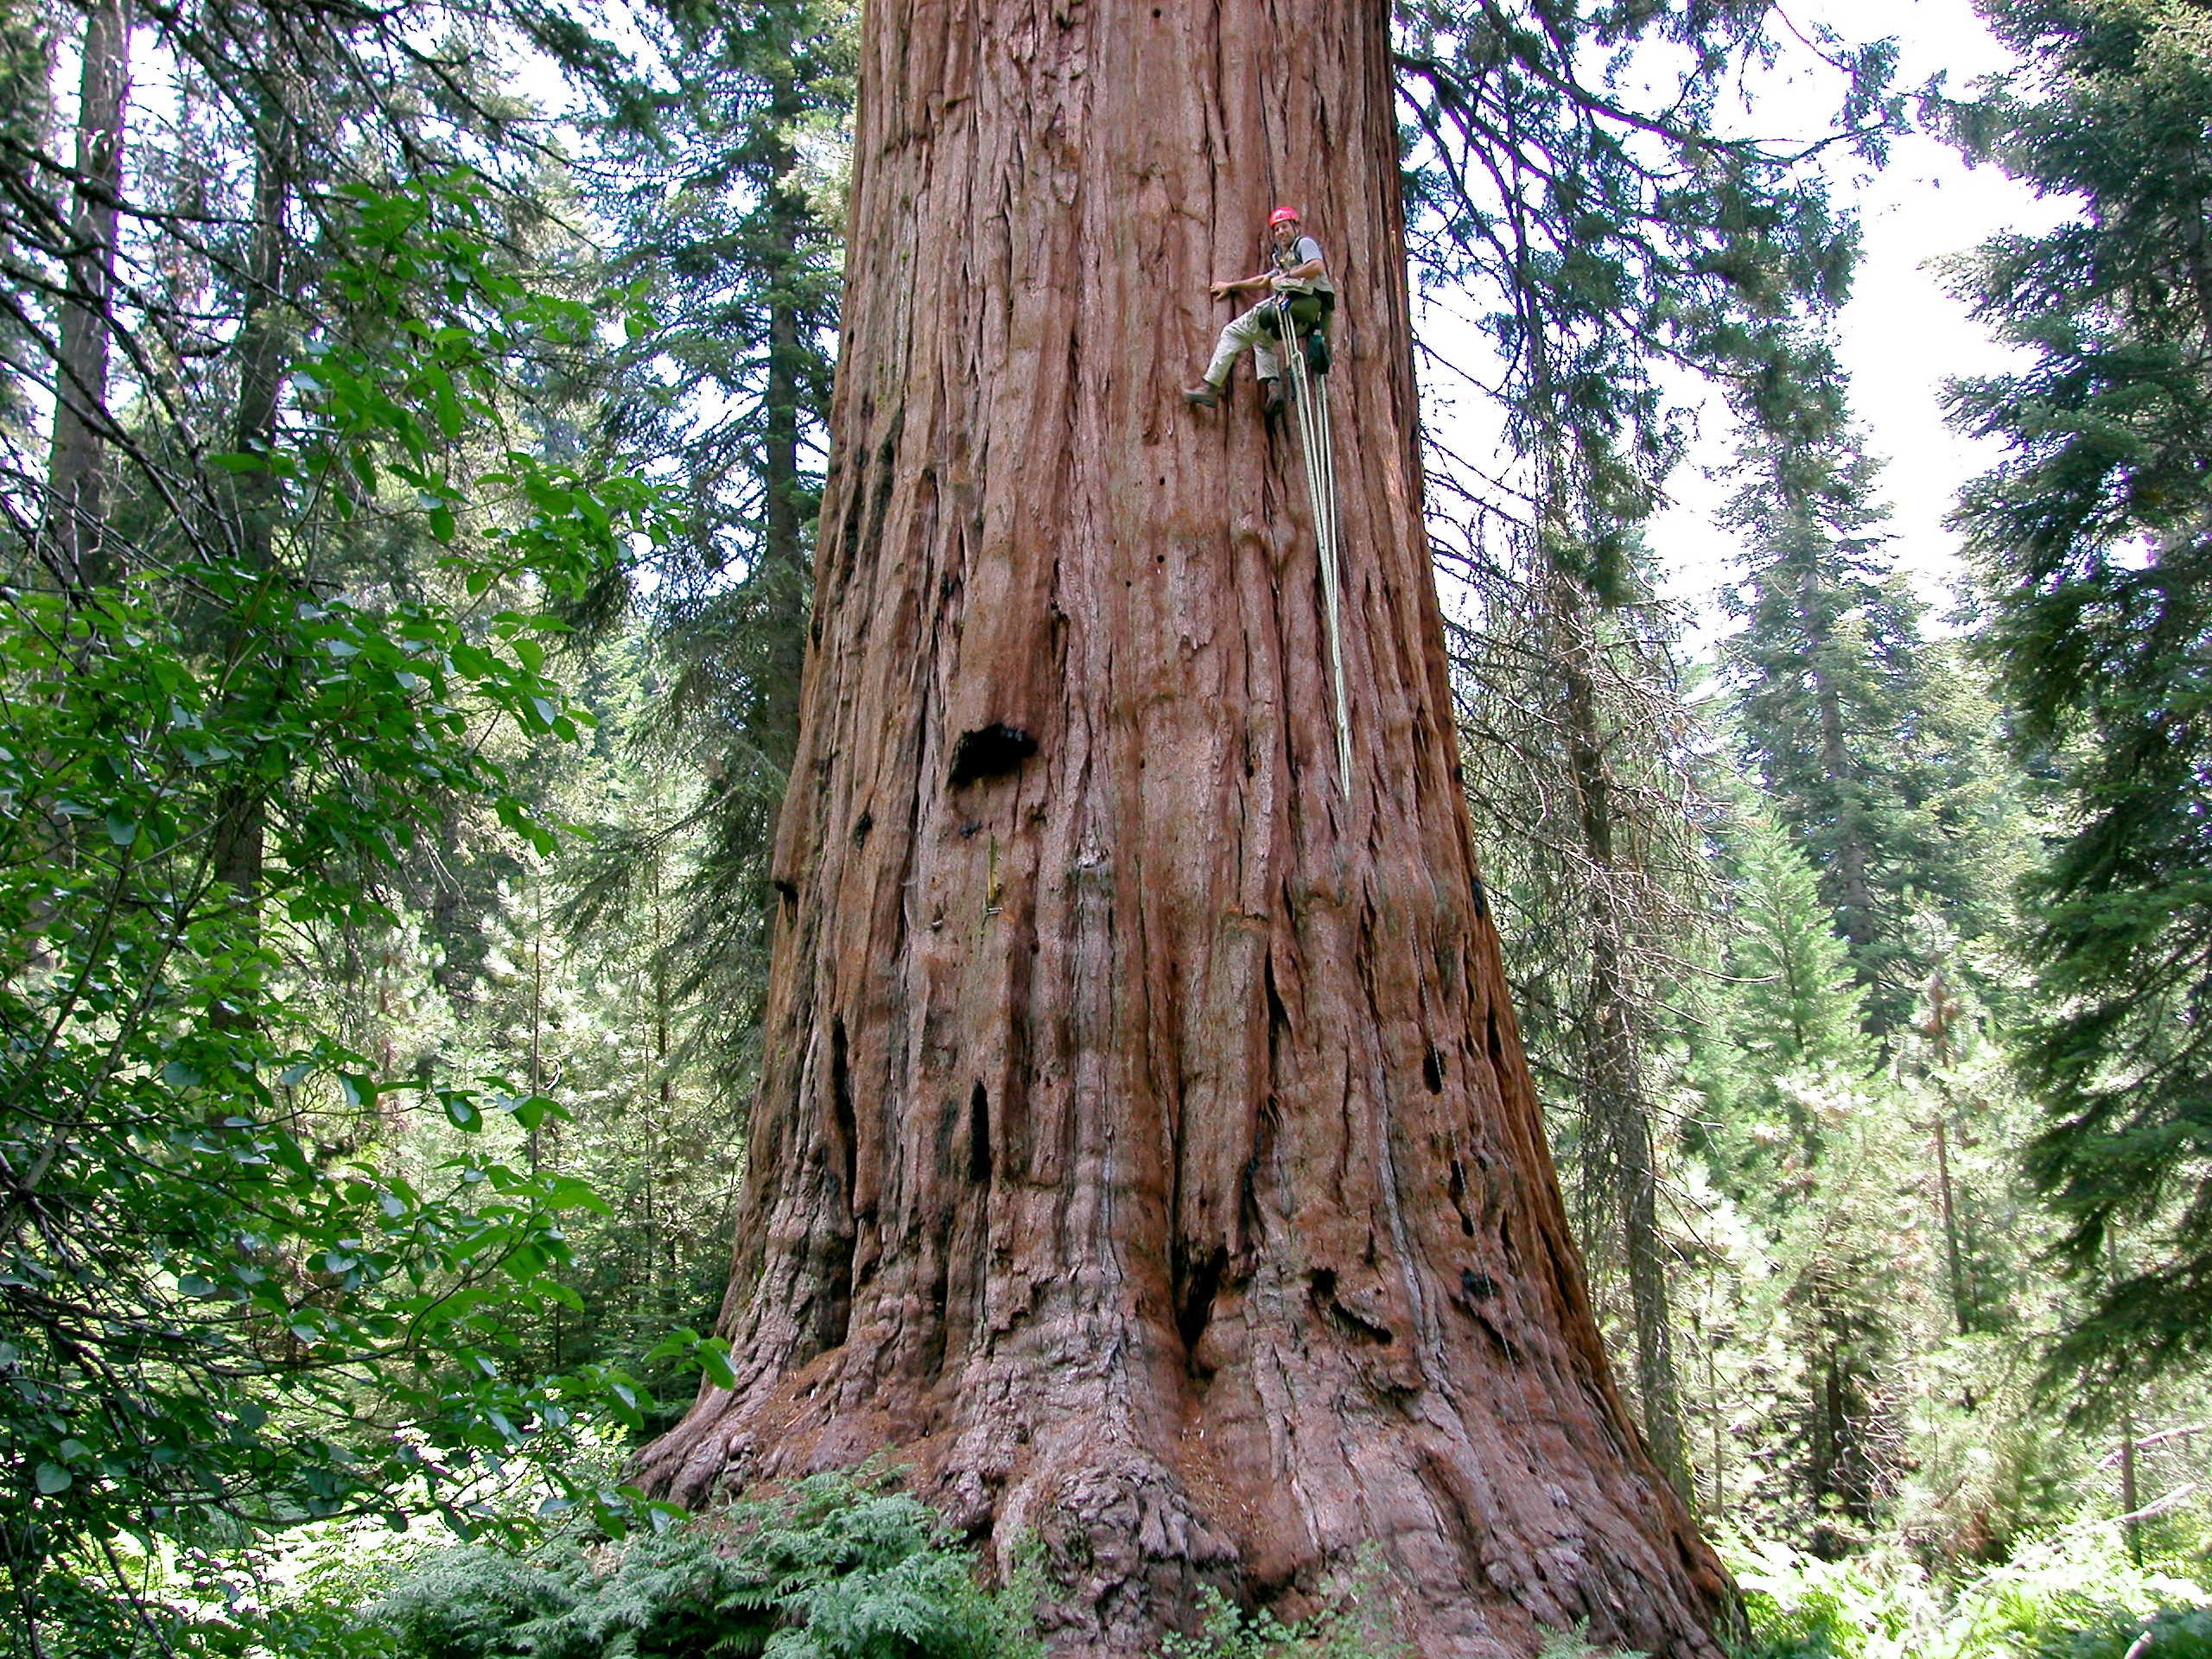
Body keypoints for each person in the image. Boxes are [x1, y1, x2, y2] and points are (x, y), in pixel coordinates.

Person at [1184, 207, 1333, 414]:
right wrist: (1232, 285)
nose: (1280, 232)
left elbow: (1316, 266)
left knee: (1232, 332)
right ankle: (1274, 387)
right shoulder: (1283, 257)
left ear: (1296, 226)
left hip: (1295, 305)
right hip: (1305, 321)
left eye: (1284, 227)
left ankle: (1210, 387)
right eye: (1277, 229)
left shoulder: (1304, 244)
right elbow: (1264, 280)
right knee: (1262, 340)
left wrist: (1288, 274)